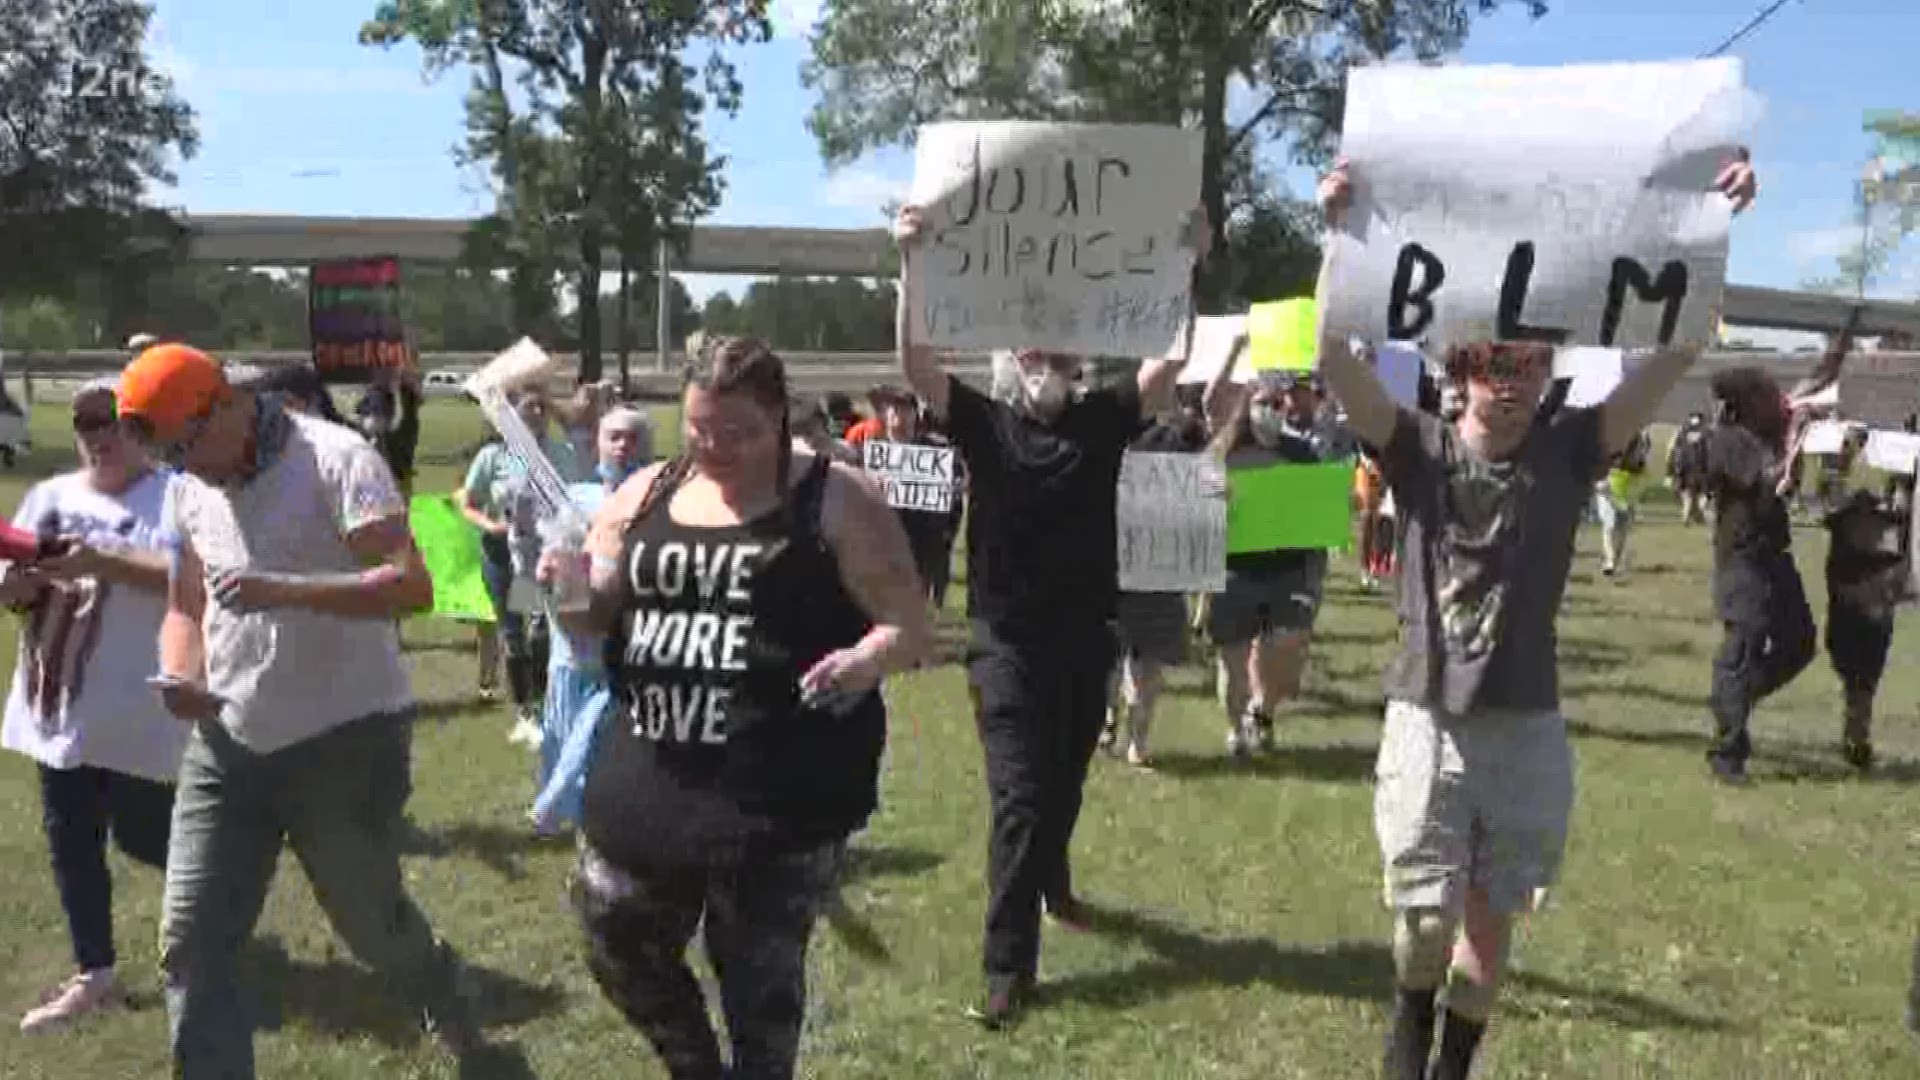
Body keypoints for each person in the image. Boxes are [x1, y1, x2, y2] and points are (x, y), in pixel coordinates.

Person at [1318, 150, 1757, 1080]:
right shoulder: (1415, 447)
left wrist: (1715, 235)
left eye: (1527, 364)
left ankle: (1452, 1064)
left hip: (1527, 724)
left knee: (1491, 922)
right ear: (1463, 369)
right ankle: (1408, 1019)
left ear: (1546, 371)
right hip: (1428, 714)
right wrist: (1340, 235)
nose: (1510, 381)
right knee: (1425, 924)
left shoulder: (1571, 449)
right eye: (1492, 365)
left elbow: (1673, 358)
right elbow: (1329, 358)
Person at [563, 337, 932, 1080]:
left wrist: (864, 661)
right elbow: (594, 616)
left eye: (738, 433)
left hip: (781, 791)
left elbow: (910, 624)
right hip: (652, 777)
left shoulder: (835, 497)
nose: (715, 448)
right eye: (700, 429)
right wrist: (565, 582)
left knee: (758, 984)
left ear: (780, 418)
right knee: (615, 937)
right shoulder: (649, 491)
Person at [116, 343, 482, 1077]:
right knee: (192, 940)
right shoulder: (190, 482)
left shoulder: (336, 460)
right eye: (172, 461)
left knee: (371, 927)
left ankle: (440, 987)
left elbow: (413, 587)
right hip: (227, 742)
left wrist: (286, 590)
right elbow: (187, 601)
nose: (188, 471)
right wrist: (183, 671)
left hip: (345, 741)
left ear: (223, 403)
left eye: (190, 448)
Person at [892, 200, 1203, 1027]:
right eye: (1030, 346)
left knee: (1061, 788)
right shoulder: (983, 425)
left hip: (1085, 641)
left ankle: (1051, 879)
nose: (1044, 357)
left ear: (1078, 359)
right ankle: (1006, 967)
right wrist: (914, 260)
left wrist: (1183, 262)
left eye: (1059, 347)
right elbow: (917, 363)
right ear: (1009, 357)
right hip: (1004, 648)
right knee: (1021, 799)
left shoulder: (1104, 420)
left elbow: (1169, 363)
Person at [3, 380, 183, 1034]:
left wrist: (104, 561)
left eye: (114, 423)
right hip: (57, 704)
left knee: (144, 832)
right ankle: (94, 975)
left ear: (142, 429)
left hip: (137, 709)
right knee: (70, 837)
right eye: (87, 426)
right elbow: (10, 590)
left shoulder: (175, 496)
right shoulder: (50, 495)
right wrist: (17, 586)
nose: (100, 437)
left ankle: (223, 891)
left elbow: (187, 578)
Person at [1202, 366, 1348, 757]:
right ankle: (1237, 731)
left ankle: (1261, 712)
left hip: (1288, 571)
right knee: (1232, 664)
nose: (1272, 410)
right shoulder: (1222, 454)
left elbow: (1319, 512)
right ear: (1246, 406)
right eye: (1263, 403)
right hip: (1234, 572)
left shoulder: (1301, 454)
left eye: (1278, 404)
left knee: (1283, 650)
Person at [524, 406, 651, 835]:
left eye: (633, 437)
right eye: (614, 436)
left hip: (631, 649)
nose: (623, 445)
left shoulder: (660, 497)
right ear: (597, 441)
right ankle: (580, 820)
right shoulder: (575, 498)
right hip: (574, 649)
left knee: (609, 746)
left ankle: (609, 823)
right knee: (565, 745)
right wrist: (546, 573)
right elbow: (551, 560)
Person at [1702, 365, 1819, 786]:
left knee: (1801, 643)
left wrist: (1801, 437)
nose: (1778, 398)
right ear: (1748, 400)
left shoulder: (1766, 435)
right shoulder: (1728, 440)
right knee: (1743, 645)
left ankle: (1732, 698)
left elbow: (1786, 477)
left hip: (1775, 557)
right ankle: (1727, 753)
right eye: (1769, 392)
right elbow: (1769, 481)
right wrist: (1792, 446)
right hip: (1741, 560)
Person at [459, 385, 584, 742]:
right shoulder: (494, 456)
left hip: (547, 554)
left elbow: (578, 497)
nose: (536, 415)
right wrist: (491, 525)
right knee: (513, 634)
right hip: (503, 553)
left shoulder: (563, 454)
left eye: (541, 408)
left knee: (542, 630)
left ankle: (546, 706)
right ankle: (524, 712)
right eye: (527, 409)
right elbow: (468, 502)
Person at [1101, 401, 1209, 769]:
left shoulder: (1187, 436)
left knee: (1149, 662)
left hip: (1163, 566)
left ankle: (1138, 741)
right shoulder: (1110, 428)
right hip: (1114, 563)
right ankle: (1108, 719)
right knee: (1109, 658)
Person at [1820, 490, 1906, 773]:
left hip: (1873, 627)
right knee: (1859, 684)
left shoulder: (1877, 558)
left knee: (1862, 687)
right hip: (1854, 626)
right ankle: (1856, 738)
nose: (1871, 529)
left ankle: (1856, 737)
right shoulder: (1846, 560)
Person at [1594, 427, 1652, 578]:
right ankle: (1610, 560)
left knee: (1623, 527)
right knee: (1610, 524)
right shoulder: (1610, 432)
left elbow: (1643, 461)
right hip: (1609, 483)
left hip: (1629, 487)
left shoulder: (1641, 436)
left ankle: (1615, 559)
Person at [1667, 411, 1713, 525]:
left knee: (1688, 493)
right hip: (1702, 467)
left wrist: (1671, 468)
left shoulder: (1682, 431)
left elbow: (1672, 449)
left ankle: (1687, 515)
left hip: (1684, 467)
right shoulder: (1708, 432)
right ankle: (1698, 513)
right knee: (1704, 493)